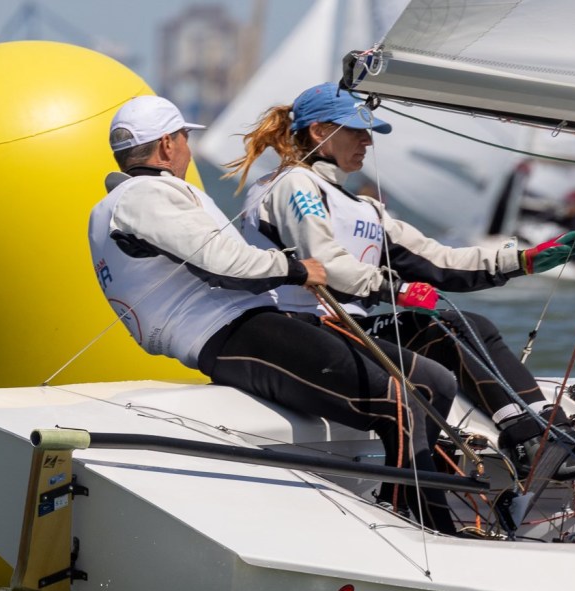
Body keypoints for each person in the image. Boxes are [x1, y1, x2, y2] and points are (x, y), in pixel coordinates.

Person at [225, 83, 575, 491]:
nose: (367, 141)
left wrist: (520, 261)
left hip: (348, 327)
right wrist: (394, 289)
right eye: (356, 131)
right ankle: (465, 472)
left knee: (468, 326)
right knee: (440, 354)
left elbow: (439, 260)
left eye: (368, 133)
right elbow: (325, 262)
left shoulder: (366, 208)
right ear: (319, 132)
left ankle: (539, 436)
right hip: (298, 329)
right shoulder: (293, 184)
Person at [87, 95, 460, 534]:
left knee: (434, 383)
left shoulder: (124, 203)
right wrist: (297, 269)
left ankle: (407, 506)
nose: (187, 148)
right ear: (168, 144)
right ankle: (429, 530)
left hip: (249, 329)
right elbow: (222, 264)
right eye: (184, 137)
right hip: (235, 334)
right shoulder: (146, 195)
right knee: (402, 401)